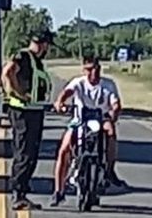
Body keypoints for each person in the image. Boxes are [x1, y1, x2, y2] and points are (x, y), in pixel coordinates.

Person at [49, 55, 126, 206]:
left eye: (96, 69)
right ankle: (59, 191)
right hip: (79, 121)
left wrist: (113, 113)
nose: (93, 73)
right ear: (84, 70)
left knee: (111, 133)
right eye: (89, 69)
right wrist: (60, 103)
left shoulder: (108, 85)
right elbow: (66, 93)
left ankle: (110, 170)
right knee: (64, 150)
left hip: (101, 120)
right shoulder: (78, 83)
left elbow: (115, 103)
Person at [1, 28, 55, 210]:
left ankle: (22, 191)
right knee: (24, 152)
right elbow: (7, 72)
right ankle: (18, 194)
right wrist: (17, 92)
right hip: (23, 111)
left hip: (33, 110)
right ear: (43, 44)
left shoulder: (35, 61)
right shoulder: (24, 56)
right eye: (47, 45)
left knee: (30, 152)